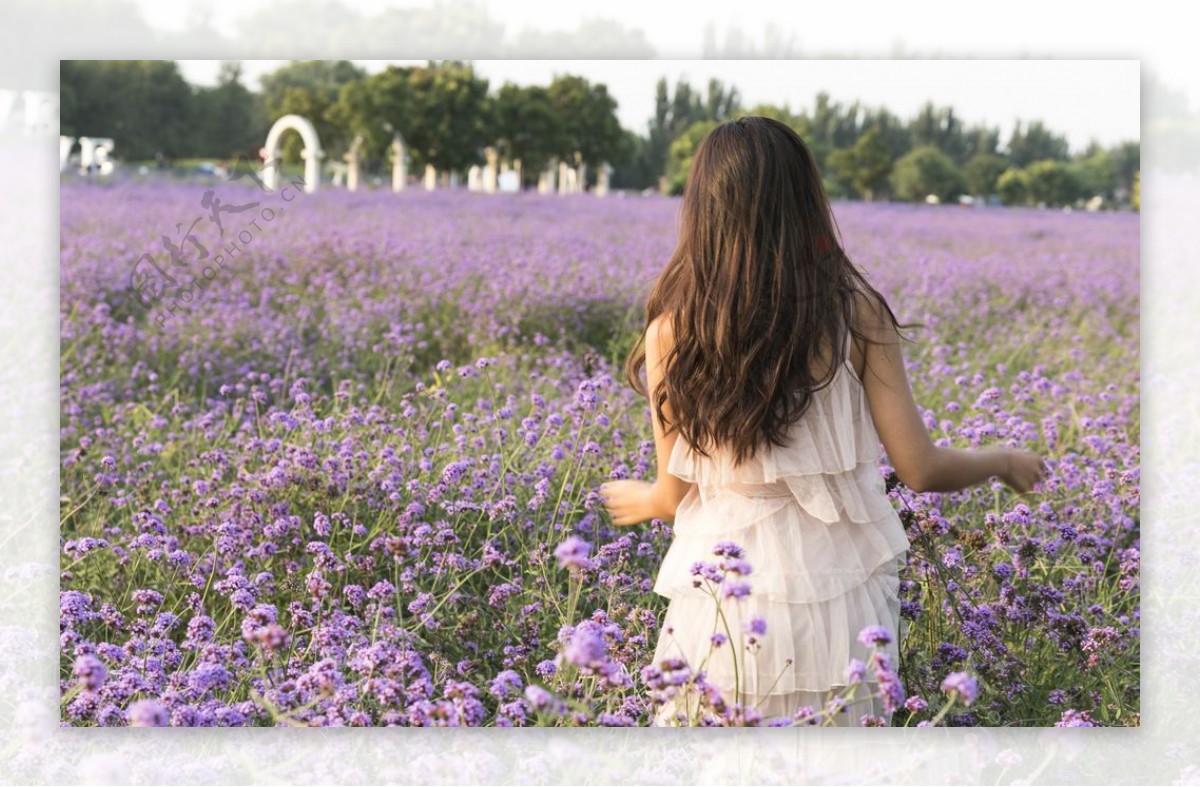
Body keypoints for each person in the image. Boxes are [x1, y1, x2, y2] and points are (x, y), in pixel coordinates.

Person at [598, 116, 1046, 727]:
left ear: (701, 209)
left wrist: (645, 499)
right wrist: (1002, 460)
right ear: (806, 200)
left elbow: (675, 496)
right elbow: (920, 468)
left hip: (720, 597)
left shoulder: (672, 330)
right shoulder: (855, 311)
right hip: (835, 591)